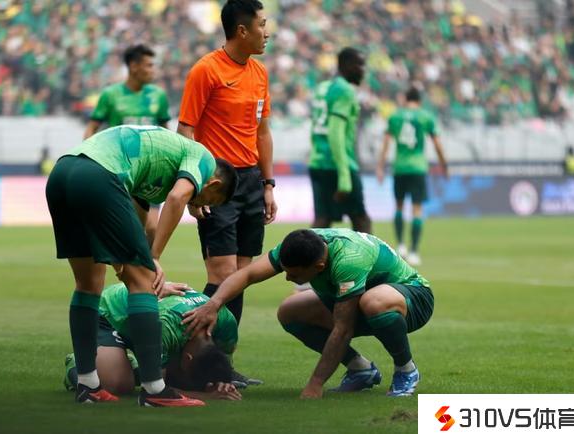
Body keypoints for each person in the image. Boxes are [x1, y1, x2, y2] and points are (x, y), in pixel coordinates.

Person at [45, 125, 237, 406]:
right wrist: (153, 258)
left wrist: (130, 270)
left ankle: (88, 385)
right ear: (213, 185)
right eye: (209, 201)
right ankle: (155, 391)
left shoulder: (151, 178)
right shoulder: (203, 158)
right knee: (144, 281)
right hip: (101, 174)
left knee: (88, 284)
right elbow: (177, 198)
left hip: (63, 173)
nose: (201, 207)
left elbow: (132, 228)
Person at [182, 228, 434, 398]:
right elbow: (247, 274)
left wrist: (315, 384)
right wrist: (213, 304)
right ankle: (360, 369)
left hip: (413, 299)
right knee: (290, 310)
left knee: (373, 302)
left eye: (294, 274)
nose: (287, 278)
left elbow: (343, 328)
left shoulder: (348, 260)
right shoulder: (300, 244)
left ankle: (406, 369)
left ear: (319, 266)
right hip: (362, 299)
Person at [177, 0, 276, 384]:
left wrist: (268, 184)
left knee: (240, 278)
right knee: (221, 275)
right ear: (242, 30)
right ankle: (191, 360)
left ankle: (223, 366)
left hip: (251, 181)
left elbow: (262, 132)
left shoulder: (260, 72)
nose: (267, 32)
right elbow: (185, 130)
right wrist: (194, 187)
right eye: (262, 24)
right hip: (217, 183)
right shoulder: (206, 70)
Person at [63, 282, 242, 402]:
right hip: (109, 314)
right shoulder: (166, 327)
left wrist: (221, 382)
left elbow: (221, 361)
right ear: (187, 358)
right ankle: (80, 363)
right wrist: (204, 395)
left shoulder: (226, 322)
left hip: (143, 322)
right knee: (117, 385)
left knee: (175, 374)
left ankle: (133, 366)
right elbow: (156, 389)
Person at [84, 44, 171, 249]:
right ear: (133, 66)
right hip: (121, 169)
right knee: (125, 227)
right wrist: (90, 157)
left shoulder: (158, 95)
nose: (153, 70)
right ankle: (129, 265)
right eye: (149, 65)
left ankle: (147, 264)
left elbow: (166, 131)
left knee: (152, 227)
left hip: (152, 169)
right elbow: (92, 128)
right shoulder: (110, 95)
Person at [376, 86, 448, 266]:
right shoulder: (425, 116)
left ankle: (401, 245)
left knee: (399, 206)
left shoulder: (395, 117)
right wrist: (444, 165)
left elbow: (386, 143)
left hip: (400, 167)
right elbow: (437, 144)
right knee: (417, 209)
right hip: (417, 168)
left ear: (405, 99)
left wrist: (380, 166)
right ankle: (414, 251)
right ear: (419, 100)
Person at [309, 47, 371, 233]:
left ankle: (304, 252)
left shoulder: (322, 88)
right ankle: (367, 253)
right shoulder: (345, 90)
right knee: (360, 219)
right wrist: (344, 175)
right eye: (360, 65)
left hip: (318, 161)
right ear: (347, 65)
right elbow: (335, 133)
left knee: (322, 219)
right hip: (339, 163)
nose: (363, 71)